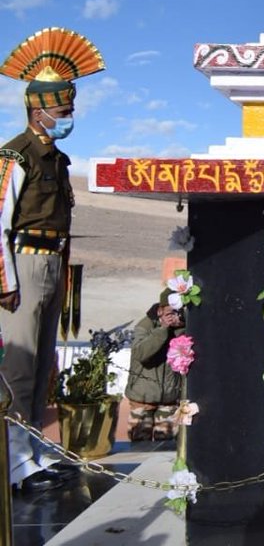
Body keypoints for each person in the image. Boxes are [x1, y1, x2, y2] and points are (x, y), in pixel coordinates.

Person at [0, 28, 105, 493]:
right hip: (21, 264)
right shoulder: (14, 155)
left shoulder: (57, 160)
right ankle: (15, 463)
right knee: (19, 368)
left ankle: (34, 454)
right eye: (63, 112)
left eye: (70, 111)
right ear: (36, 110)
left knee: (43, 367)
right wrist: (5, 281)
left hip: (51, 264)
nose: (69, 118)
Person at [126, 290, 186, 441]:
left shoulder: (182, 327)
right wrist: (163, 330)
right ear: (160, 310)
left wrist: (180, 328)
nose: (175, 316)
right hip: (143, 397)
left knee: (166, 448)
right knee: (139, 448)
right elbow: (141, 354)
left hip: (169, 398)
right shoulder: (145, 326)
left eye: (178, 311)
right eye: (171, 312)